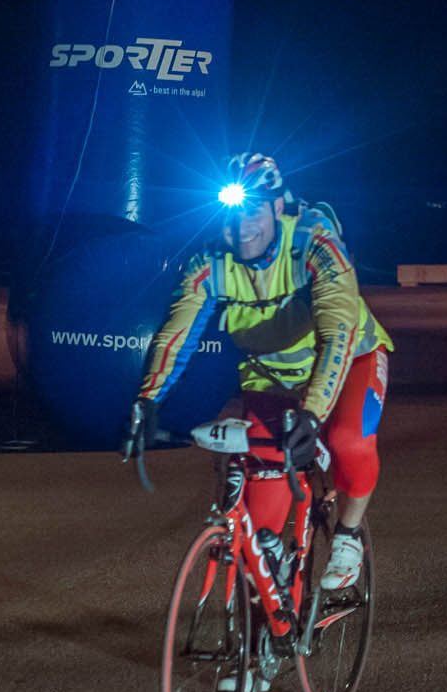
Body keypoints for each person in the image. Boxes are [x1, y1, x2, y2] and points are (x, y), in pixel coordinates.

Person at [129, 153, 392, 592]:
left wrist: (313, 413)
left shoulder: (315, 245)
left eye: (254, 211)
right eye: (231, 216)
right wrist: (147, 399)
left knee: (349, 441)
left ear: (277, 207)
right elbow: (176, 333)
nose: (241, 226)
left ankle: (348, 534)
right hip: (270, 376)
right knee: (259, 539)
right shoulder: (210, 263)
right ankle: (275, 614)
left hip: (351, 359)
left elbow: (337, 334)